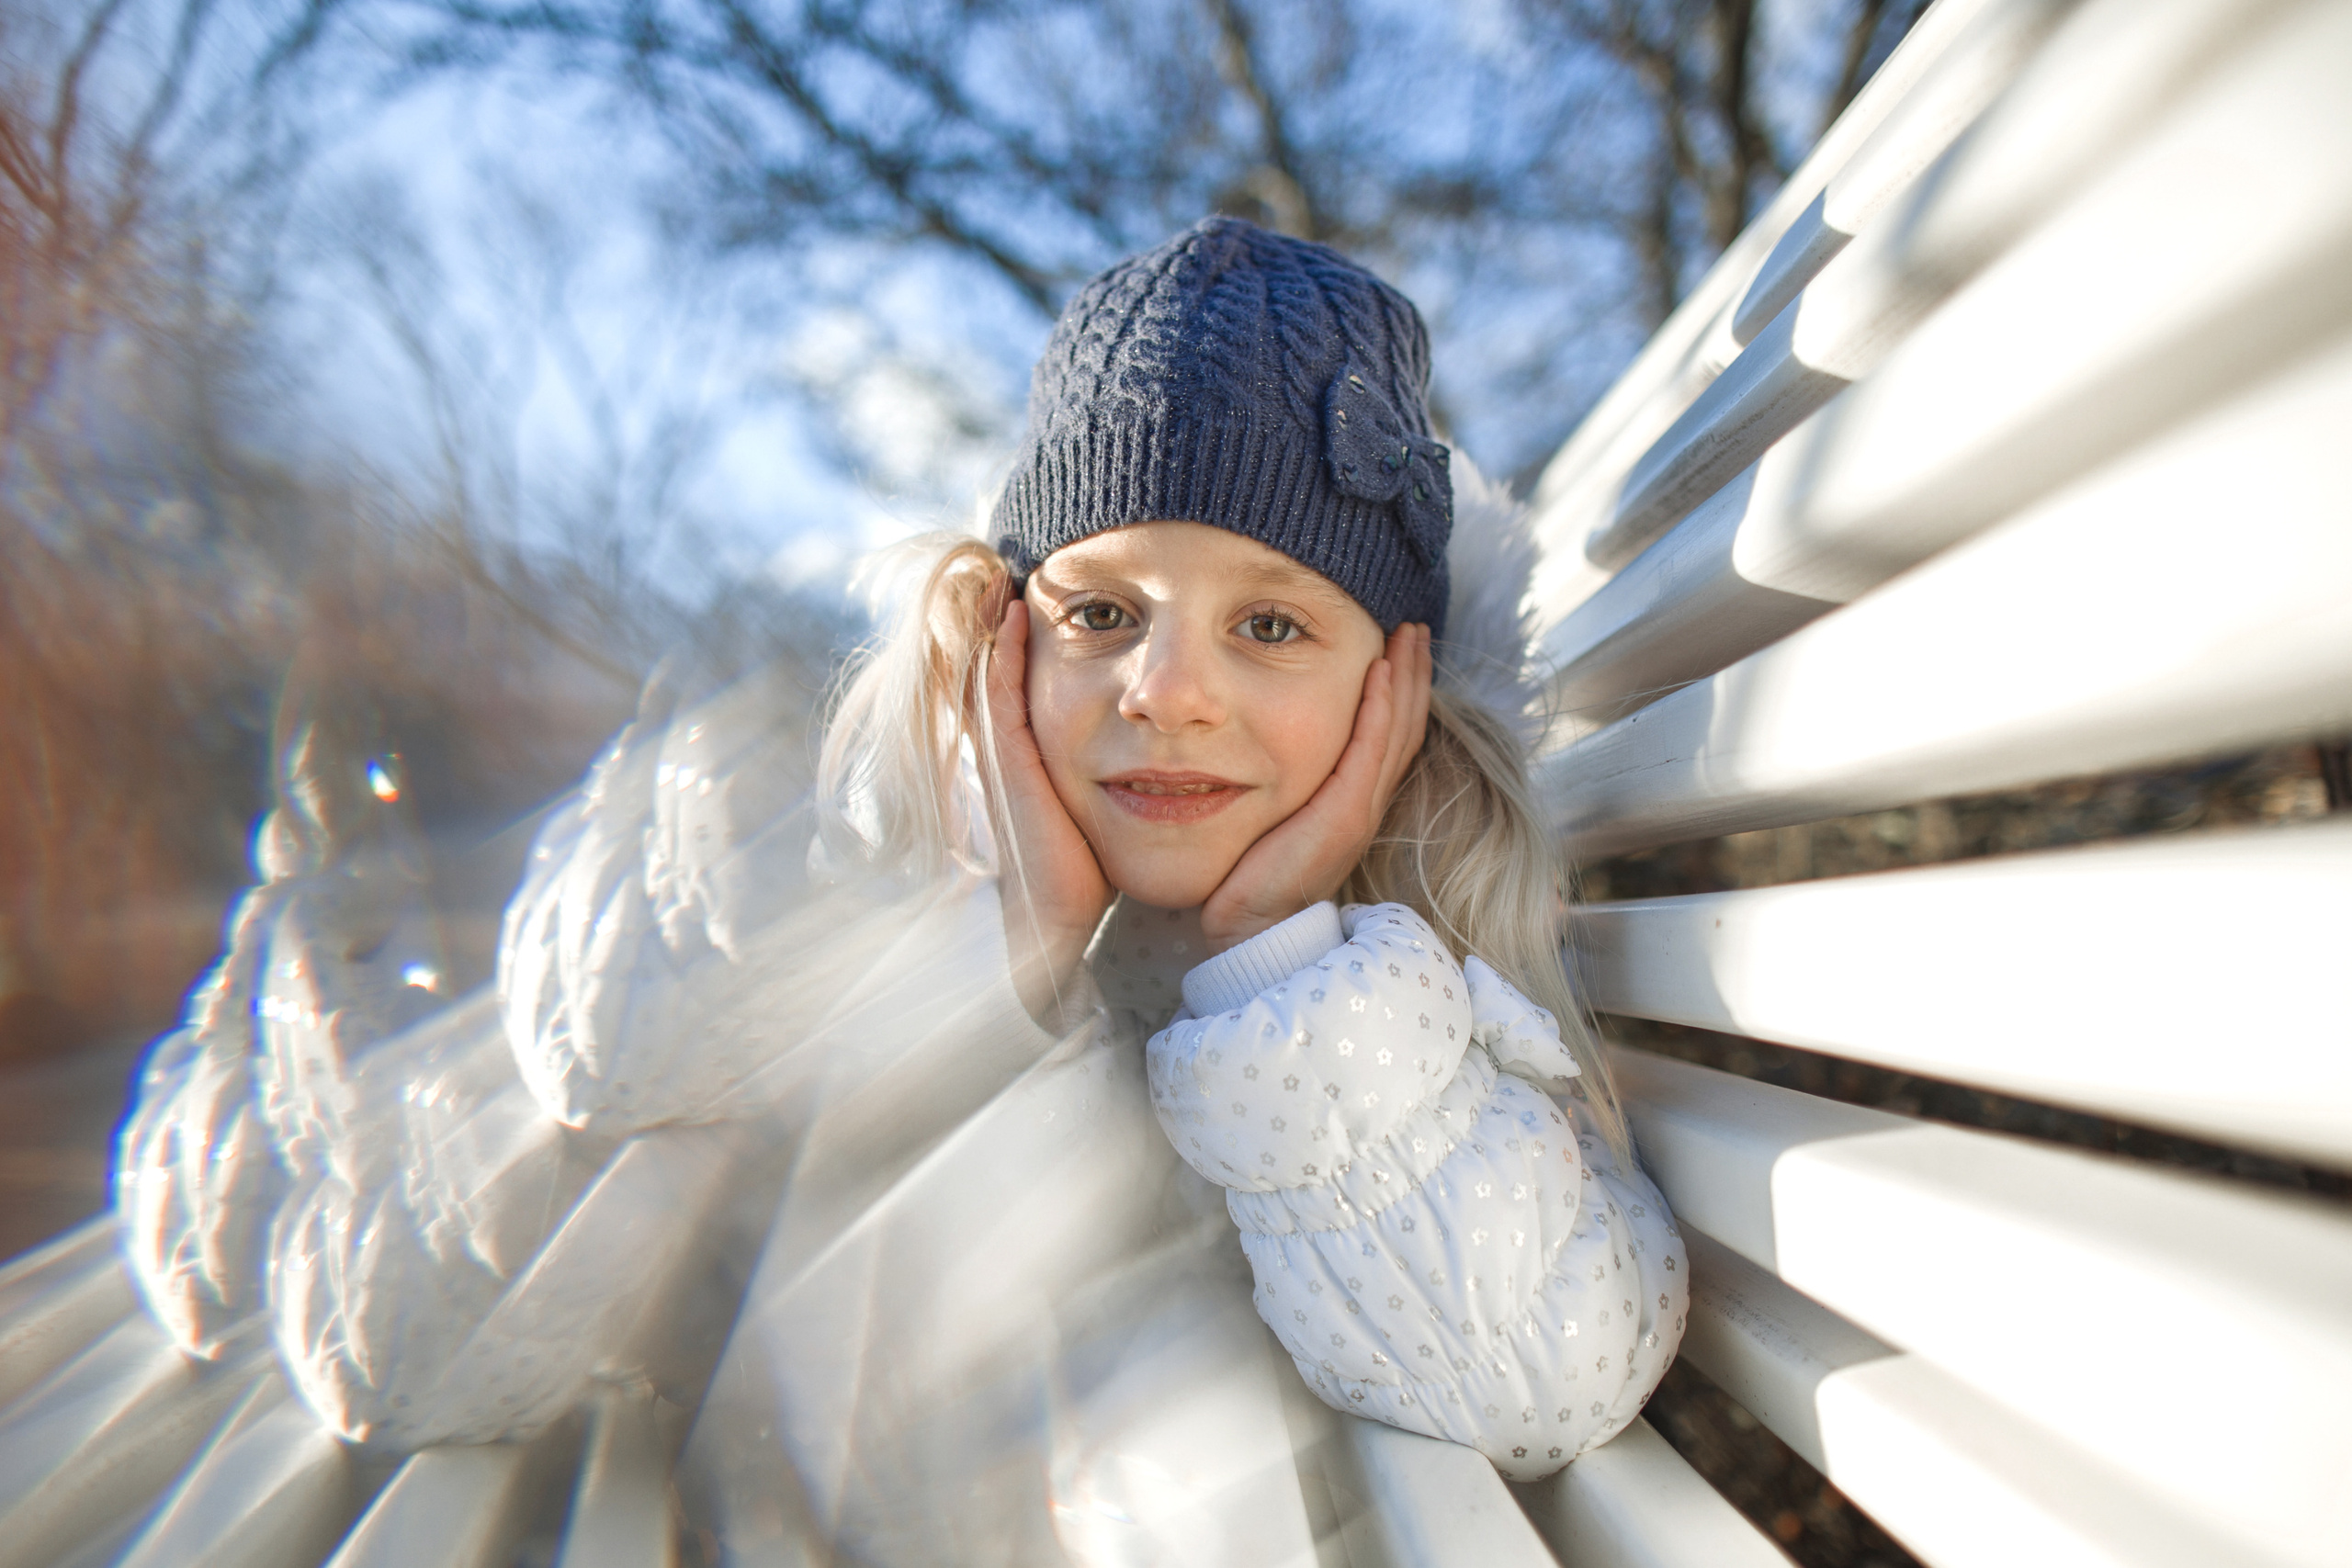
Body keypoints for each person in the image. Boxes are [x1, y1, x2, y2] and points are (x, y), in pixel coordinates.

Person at [96, 216, 1684, 1565]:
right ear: (1001, 631)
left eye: (1272, 626)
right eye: (1104, 612)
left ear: (1392, 688)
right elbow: (406, 1347)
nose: (1168, 692)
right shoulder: (821, 831)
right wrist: (995, 945)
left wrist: (1274, 962)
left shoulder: (1402, 968)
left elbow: (1539, 1380)